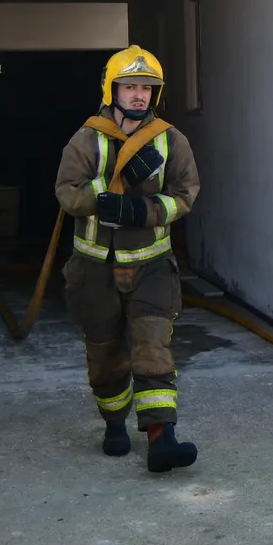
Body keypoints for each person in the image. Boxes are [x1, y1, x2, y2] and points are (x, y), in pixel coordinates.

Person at [54, 46, 201, 472]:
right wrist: (106, 199)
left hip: (152, 266)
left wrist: (145, 211)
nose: (139, 95)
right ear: (111, 89)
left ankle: (162, 439)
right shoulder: (86, 138)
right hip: (93, 270)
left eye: (147, 88)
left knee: (153, 348)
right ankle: (114, 423)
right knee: (105, 359)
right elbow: (66, 192)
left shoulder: (172, 140)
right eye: (131, 87)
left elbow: (186, 195)